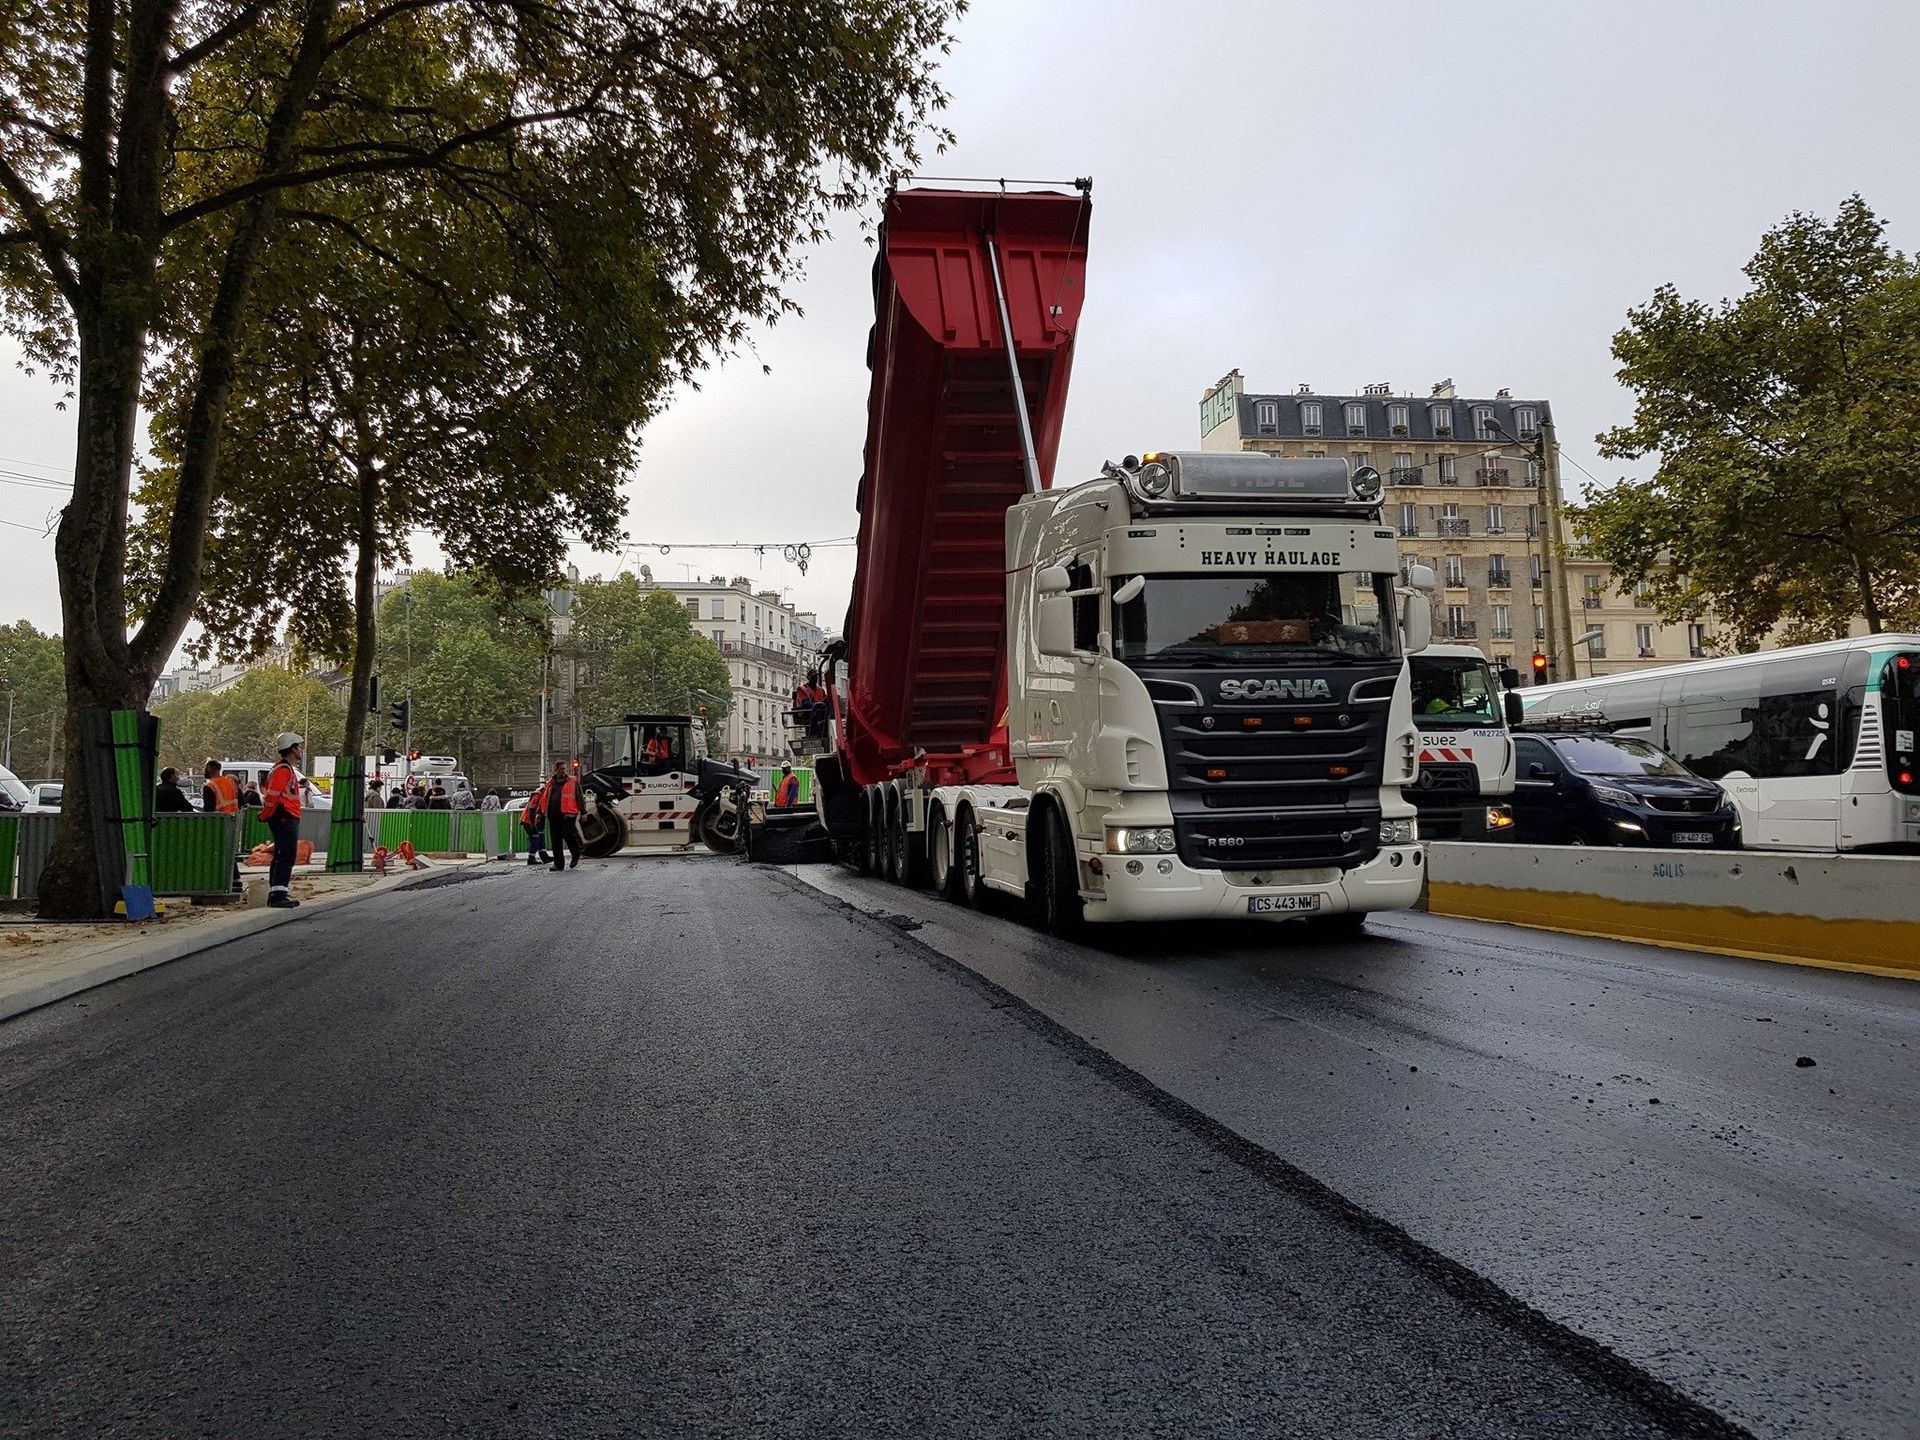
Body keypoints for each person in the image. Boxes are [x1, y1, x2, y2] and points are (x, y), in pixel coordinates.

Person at [260, 733, 305, 908]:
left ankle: (277, 893)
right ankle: (278, 895)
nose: (301, 750)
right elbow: (273, 796)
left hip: (284, 816)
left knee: (281, 855)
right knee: (286, 855)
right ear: (293, 749)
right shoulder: (283, 770)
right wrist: (266, 814)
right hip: (284, 816)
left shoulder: (282, 769)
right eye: (299, 747)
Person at [543, 760, 583, 872]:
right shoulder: (551, 783)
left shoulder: (572, 781)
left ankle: (575, 854)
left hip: (568, 814)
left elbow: (580, 797)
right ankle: (558, 864)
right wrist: (541, 813)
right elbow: (545, 798)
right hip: (553, 815)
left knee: (568, 835)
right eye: (561, 769)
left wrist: (583, 812)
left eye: (565, 769)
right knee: (556, 841)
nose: (563, 771)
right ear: (556, 770)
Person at [522, 780, 551, 866]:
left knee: (539, 838)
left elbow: (541, 811)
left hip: (533, 821)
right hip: (529, 821)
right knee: (535, 839)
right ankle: (531, 858)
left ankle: (543, 856)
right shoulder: (538, 795)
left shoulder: (542, 796)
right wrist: (533, 824)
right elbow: (532, 810)